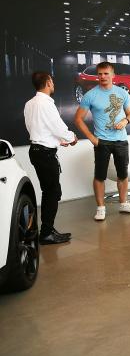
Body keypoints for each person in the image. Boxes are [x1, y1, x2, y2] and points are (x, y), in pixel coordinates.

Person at [74, 62, 130, 221]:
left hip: (121, 141)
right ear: (97, 75)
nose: (103, 77)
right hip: (102, 141)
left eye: (106, 74)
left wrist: (126, 121)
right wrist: (92, 138)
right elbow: (78, 119)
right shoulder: (90, 95)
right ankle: (100, 208)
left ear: (113, 75)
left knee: (123, 175)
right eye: (100, 74)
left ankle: (124, 204)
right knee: (99, 176)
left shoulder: (122, 93)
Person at [24, 72, 77, 244]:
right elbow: (57, 126)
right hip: (45, 153)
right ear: (47, 82)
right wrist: (70, 138)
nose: (53, 84)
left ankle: (48, 229)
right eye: (52, 81)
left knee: (50, 192)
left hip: (37, 150)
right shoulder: (46, 103)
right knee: (52, 193)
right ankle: (46, 233)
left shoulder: (30, 103)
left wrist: (56, 140)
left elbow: (35, 128)